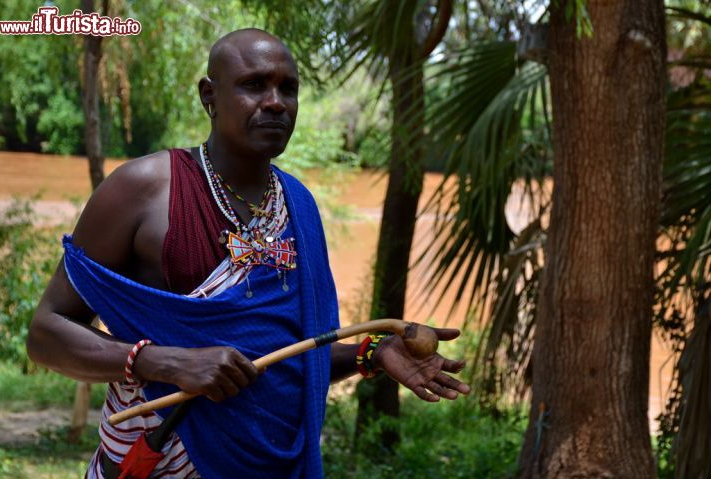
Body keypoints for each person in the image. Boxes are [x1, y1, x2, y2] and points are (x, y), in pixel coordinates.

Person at [27, 28, 470, 478]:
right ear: (209, 96)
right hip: (152, 462)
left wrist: (371, 354)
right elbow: (46, 333)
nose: (276, 102)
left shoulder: (298, 208)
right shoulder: (142, 190)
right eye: (254, 85)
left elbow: (280, 361)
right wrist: (165, 362)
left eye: (288, 88)